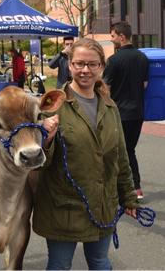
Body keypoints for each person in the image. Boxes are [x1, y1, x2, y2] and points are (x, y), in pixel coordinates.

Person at [32, 38, 140, 271]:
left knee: (100, 263)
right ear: (69, 65)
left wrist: (128, 196)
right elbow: (38, 167)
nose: (85, 70)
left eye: (92, 65)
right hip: (63, 207)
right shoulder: (51, 106)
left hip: (102, 204)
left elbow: (120, 157)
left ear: (102, 67)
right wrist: (47, 140)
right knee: (60, 265)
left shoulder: (110, 107)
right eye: (79, 63)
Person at [103, 21, 149, 200]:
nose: (111, 39)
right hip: (138, 112)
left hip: (119, 113)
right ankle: (136, 188)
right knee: (130, 150)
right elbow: (144, 84)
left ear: (121, 37)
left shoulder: (113, 60)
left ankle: (116, 188)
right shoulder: (143, 58)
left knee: (114, 150)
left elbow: (105, 90)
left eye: (113, 36)